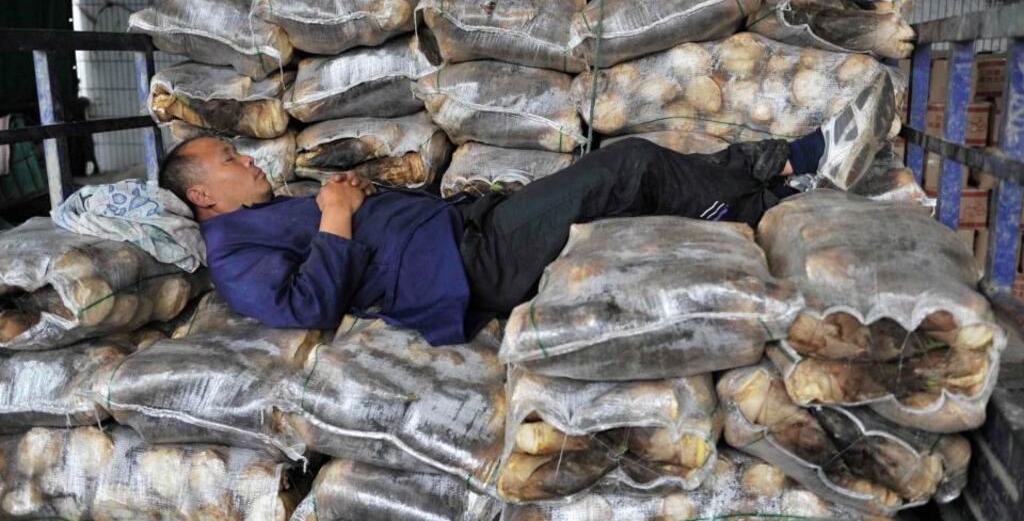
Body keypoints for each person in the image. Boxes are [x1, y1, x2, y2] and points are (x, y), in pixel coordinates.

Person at [159, 78, 895, 346]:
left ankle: (790, 174)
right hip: (463, 271)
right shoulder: (231, 257)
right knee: (628, 165)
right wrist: (335, 212)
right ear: (203, 195)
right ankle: (797, 170)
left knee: (628, 181)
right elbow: (307, 306)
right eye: (232, 161)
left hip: (465, 235)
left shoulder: (260, 214)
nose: (250, 159)